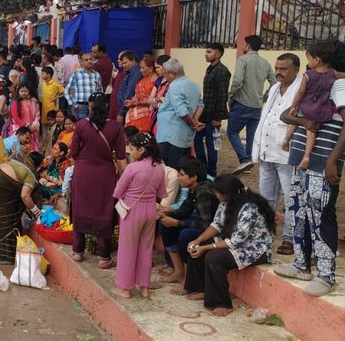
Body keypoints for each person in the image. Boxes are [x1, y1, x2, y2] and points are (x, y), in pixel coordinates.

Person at [275, 41, 345, 297]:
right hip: (302, 158)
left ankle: (326, 275)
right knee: (299, 209)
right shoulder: (316, 79)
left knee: (321, 213)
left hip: (322, 161)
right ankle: (301, 263)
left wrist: (331, 161)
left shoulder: (339, 85)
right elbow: (289, 114)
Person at [183, 175, 275, 317]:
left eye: (218, 193)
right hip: (235, 242)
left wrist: (205, 248)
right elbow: (216, 225)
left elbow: (236, 241)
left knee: (214, 257)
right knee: (197, 245)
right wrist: (198, 241)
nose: (216, 195)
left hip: (255, 249)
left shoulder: (249, 208)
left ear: (227, 193)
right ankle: (200, 288)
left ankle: (223, 303)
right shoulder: (226, 202)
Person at [69, 92, 127, 268]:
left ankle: (78, 251)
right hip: (105, 175)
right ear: (108, 107)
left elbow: (74, 153)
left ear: (90, 105)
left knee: (80, 207)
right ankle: (104, 257)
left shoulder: (81, 125)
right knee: (104, 210)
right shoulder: (116, 128)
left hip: (83, 173)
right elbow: (121, 157)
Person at [252, 53, 301, 255]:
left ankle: (289, 239)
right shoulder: (273, 88)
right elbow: (265, 119)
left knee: (291, 199)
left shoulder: (301, 89)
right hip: (267, 151)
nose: (278, 72)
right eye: (277, 68)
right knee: (266, 198)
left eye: (284, 69)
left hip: (287, 154)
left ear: (296, 69)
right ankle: (266, 233)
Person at [111, 132, 168, 298]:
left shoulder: (133, 168)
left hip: (132, 210)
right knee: (146, 248)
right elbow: (161, 192)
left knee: (127, 249)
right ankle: (144, 287)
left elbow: (117, 192)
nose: (131, 152)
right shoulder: (159, 167)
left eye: (133, 149)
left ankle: (125, 288)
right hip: (150, 210)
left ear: (142, 149)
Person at [159, 157, 218, 286]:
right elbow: (183, 211)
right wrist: (164, 214)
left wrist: (176, 223)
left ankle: (189, 278)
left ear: (194, 177)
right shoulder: (193, 189)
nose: (179, 177)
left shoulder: (203, 193)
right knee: (163, 225)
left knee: (185, 235)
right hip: (202, 223)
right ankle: (178, 271)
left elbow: (206, 224)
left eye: (182, 175)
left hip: (215, 229)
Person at [283, 41, 339, 170]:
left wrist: (293, 106)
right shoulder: (333, 73)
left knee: (296, 120)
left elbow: (301, 92)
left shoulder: (308, 75)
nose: (308, 63)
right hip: (323, 109)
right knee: (311, 131)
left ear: (317, 60)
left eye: (309, 59)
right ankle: (307, 155)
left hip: (307, 107)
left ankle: (287, 140)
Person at [227, 35, 276, 174]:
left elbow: (237, 81)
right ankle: (247, 162)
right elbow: (274, 83)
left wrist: (231, 96)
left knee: (232, 131)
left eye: (243, 44)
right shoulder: (265, 63)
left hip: (242, 103)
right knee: (251, 135)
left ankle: (244, 160)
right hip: (257, 105)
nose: (242, 47)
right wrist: (264, 96)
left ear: (248, 46)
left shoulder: (243, 60)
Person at [0, 156, 41, 264]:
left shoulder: (15, 163)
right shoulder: (31, 175)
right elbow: (25, 196)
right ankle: (4, 257)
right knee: (7, 219)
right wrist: (36, 212)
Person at [156, 59, 204, 169]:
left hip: (171, 133)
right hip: (184, 134)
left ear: (172, 74)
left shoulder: (174, 86)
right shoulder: (194, 85)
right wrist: (195, 121)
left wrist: (193, 124)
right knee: (182, 165)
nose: (165, 77)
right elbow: (200, 104)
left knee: (169, 168)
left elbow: (181, 111)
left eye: (166, 74)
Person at [195, 43, 232, 178]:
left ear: (218, 54)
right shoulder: (210, 69)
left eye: (209, 52)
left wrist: (218, 118)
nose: (206, 54)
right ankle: (203, 167)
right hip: (205, 113)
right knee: (197, 139)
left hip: (213, 115)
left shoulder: (222, 71)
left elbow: (222, 95)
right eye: (206, 51)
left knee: (212, 144)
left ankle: (211, 172)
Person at [124, 56, 158, 132]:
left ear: (151, 68)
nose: (140, 70)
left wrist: (137, 103)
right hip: (134, 113)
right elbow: (137, 95)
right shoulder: (143, 80)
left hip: (146, 116)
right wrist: (132, 102)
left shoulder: (157, 83)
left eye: (143, 68)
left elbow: (153, 100)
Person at [65, 51, 103, 119]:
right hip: (81, 107)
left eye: (91, 59)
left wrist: (98, 105)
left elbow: (100, 92)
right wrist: (74, 105)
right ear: (81, 62)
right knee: (82, 127)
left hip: (94, 108)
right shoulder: (76, 74)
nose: (89, 61)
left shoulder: (97, 75)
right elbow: (67, 91)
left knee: (93, 128)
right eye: (86, 60)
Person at [10, 83, 40, 152]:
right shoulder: (15, 103)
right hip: (20, 128)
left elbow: (37, 115)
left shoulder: (34, 101)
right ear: (18, 92)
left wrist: (34, 125)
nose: (23, 93)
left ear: (29, 91)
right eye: (22, 91)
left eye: (25, 91)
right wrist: (26, 127)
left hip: (32, 127)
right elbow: (16, 118)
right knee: (16, 145)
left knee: (32, 146)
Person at [116, 51, 143, 124]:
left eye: (125, 63)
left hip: (128, 109)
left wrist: (121, 113)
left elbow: (130, 92)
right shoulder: (130, 72)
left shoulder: (136, 73)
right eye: (122, 63)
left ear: (133, 60)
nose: (123, 65)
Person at [148, 55, 171, 134]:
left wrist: (155, 100)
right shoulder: (159, 80)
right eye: (155, 67)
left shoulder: (171, 83)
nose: (156, 70)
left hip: (165, 118)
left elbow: (166, 102)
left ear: (166, 67)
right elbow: (149, 100)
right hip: (154, 115)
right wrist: (157, 100)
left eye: (158, 67)